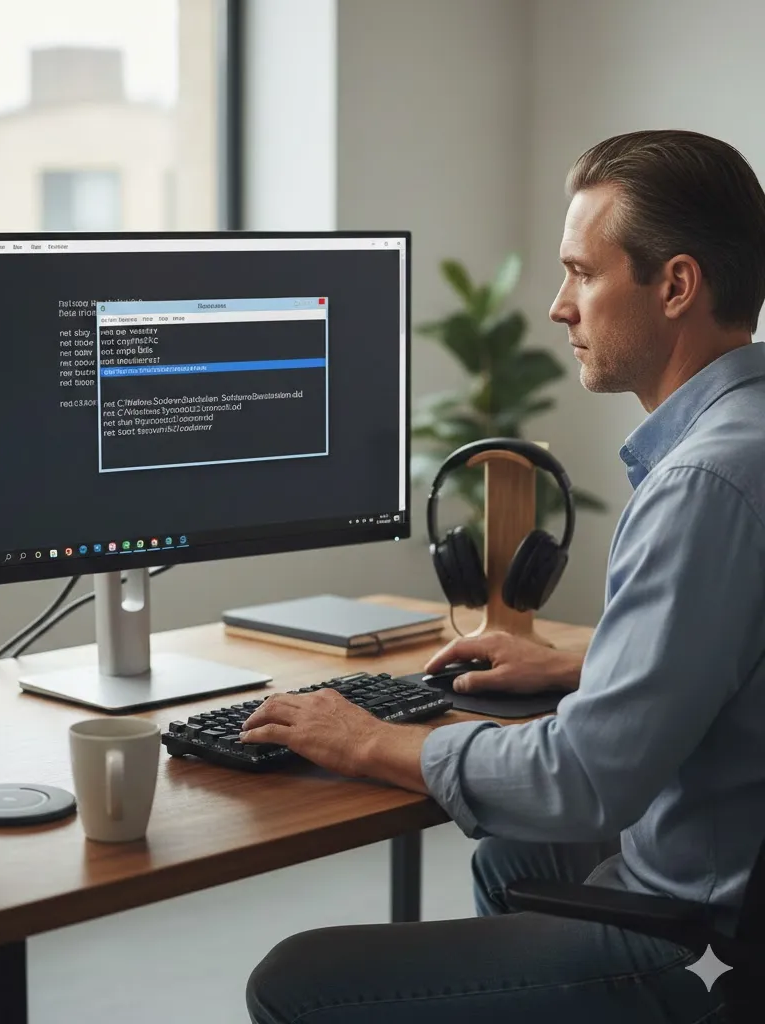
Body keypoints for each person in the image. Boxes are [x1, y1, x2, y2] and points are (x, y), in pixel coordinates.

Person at [243, 129, 765, 1024]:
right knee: (510, 859)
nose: (560, 307)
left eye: (582, 273)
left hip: (715, 901)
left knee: (291, 981)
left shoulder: (702, 485)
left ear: (676, 286)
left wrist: (366, 739)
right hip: (734, 856)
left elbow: (586, 779)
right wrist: (585, 662)